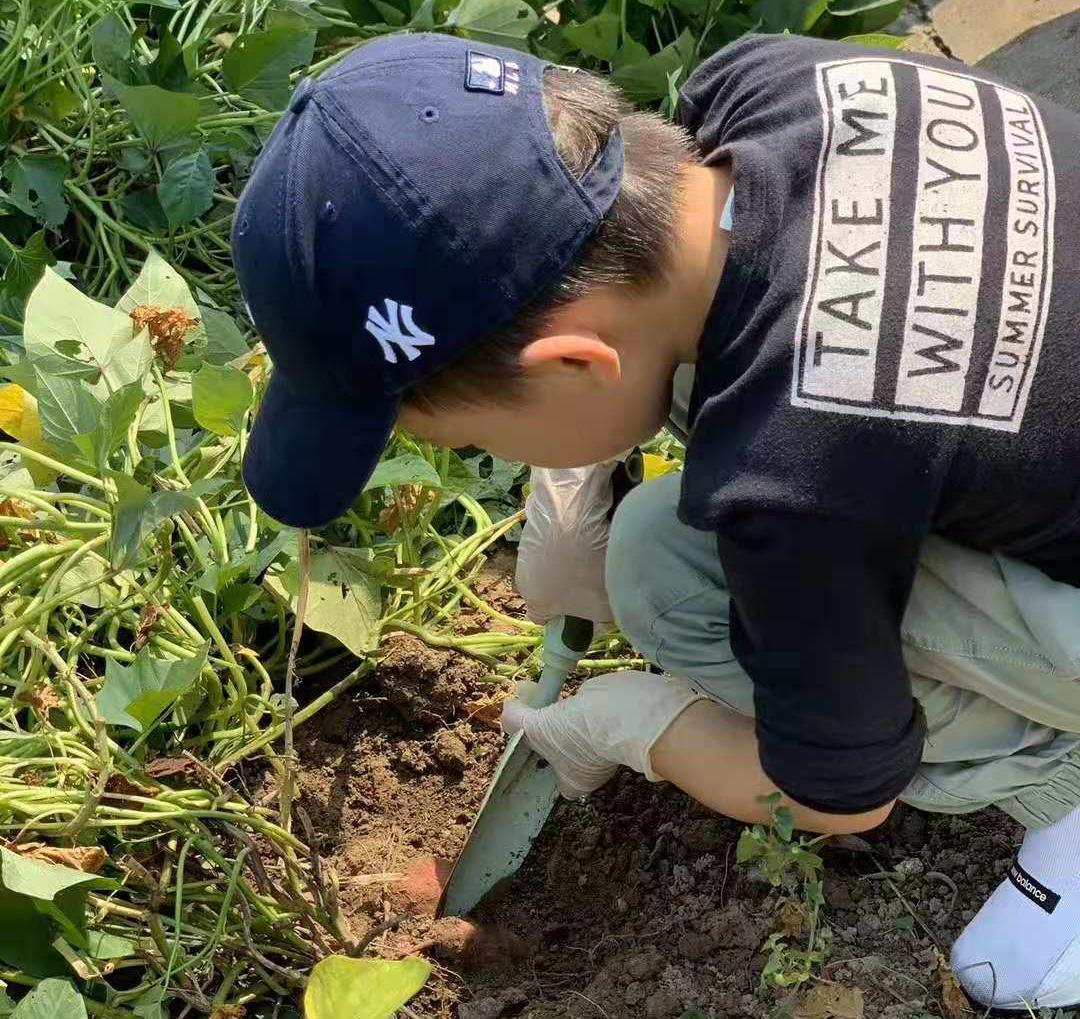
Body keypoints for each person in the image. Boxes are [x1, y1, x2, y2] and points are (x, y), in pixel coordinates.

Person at [231, 30, 1080, 1010]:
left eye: (486, 443)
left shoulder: (793, 482)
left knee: (675, 572)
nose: (503, 464)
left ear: (572, 363)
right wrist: (584, 464)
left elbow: (839, 799)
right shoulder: (768, 81)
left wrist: (642, 726)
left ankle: (1056, 779)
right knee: (666, 534)